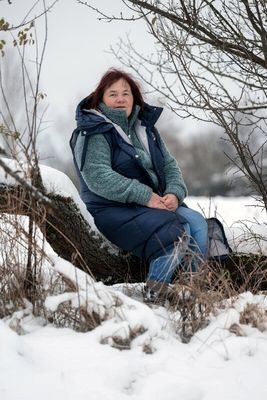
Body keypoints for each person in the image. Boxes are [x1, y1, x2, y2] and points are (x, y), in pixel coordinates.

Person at [70, 68, 208, 302]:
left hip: (150, 203)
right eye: (113, 94)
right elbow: (98, 176)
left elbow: (169, 166)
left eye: (126, 93)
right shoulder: (94, 131)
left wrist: (174, 193)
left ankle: (189, 289)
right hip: (112, 208)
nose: (120, 99)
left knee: (198, 223)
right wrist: (146, 196)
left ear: (134, 98)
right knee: (177, 233)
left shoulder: (144, 129)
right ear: (100, 99)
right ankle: (155, 292)